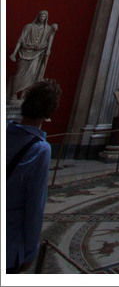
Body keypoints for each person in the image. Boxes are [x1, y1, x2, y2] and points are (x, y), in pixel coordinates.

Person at [6, 78, 62, 273]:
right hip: (11, 242)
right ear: (50, 111)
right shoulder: (40, 150)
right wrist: (30, 250)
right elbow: (35, 205)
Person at [8, 10, 58, 102]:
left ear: (46, 18)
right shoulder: (29, 27)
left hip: (37, 54)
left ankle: (24, 96)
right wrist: (14, 53)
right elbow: (20, 40)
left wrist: (54, 29)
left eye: (44, 16)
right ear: (38, 16)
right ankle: (13, 94)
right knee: (19, 73)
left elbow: (52, 33)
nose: (42, 18)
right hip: (24, 52)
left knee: (32, 74)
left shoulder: (47, 29)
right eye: (41, 15)